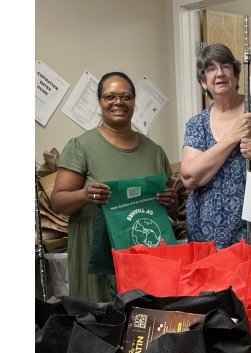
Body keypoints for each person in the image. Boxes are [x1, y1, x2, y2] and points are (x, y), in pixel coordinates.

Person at [50, 71, 177, 302]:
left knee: (142, 322)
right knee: (99, 326)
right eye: (110, 97)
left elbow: (169, 209)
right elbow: (58, 201)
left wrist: (170, 202)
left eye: (126, 96)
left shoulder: (154, 151)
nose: (118, 102)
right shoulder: (81, 147)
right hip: (97, 256)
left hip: (143, 259)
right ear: (100, 103)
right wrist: (85, 195)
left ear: (134, 103)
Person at [180, 43, 251, 249]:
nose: (220, 73)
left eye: (225, 66)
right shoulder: (197, 124)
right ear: (203, 82)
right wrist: (233, 136)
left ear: (235, 75)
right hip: (205, 231)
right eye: (211, 69)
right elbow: (189, 177)